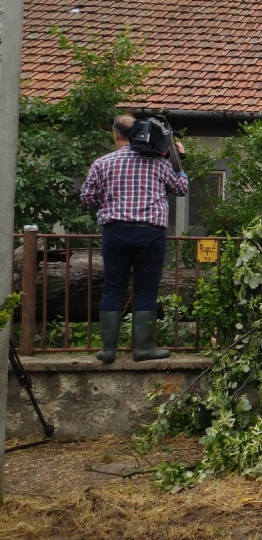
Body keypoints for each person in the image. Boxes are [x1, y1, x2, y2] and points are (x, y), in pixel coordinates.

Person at [80, 114, 189, 363]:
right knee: (147, 289)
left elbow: (87, 197)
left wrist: (109, 202)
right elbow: (181, 189)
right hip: (150, 233)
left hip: (115, 232)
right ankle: (143, 349)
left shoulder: (102, 163)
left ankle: (108, 351)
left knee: (113, 288)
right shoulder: (159, 164)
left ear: (116, 134)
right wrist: (177, 160)